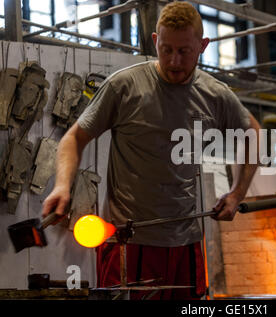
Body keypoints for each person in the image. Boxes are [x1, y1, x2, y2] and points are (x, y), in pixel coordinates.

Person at [42, 1, 260, 300]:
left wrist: (237, 193)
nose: (173, 61)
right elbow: (73, 138)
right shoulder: (125, 86)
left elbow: (253, 133)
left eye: (184, 51)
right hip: (128, 240)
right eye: (166, 49)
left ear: (203, 45)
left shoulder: (215, 94)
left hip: (186, 241)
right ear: (155, 41)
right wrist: (63, 186)